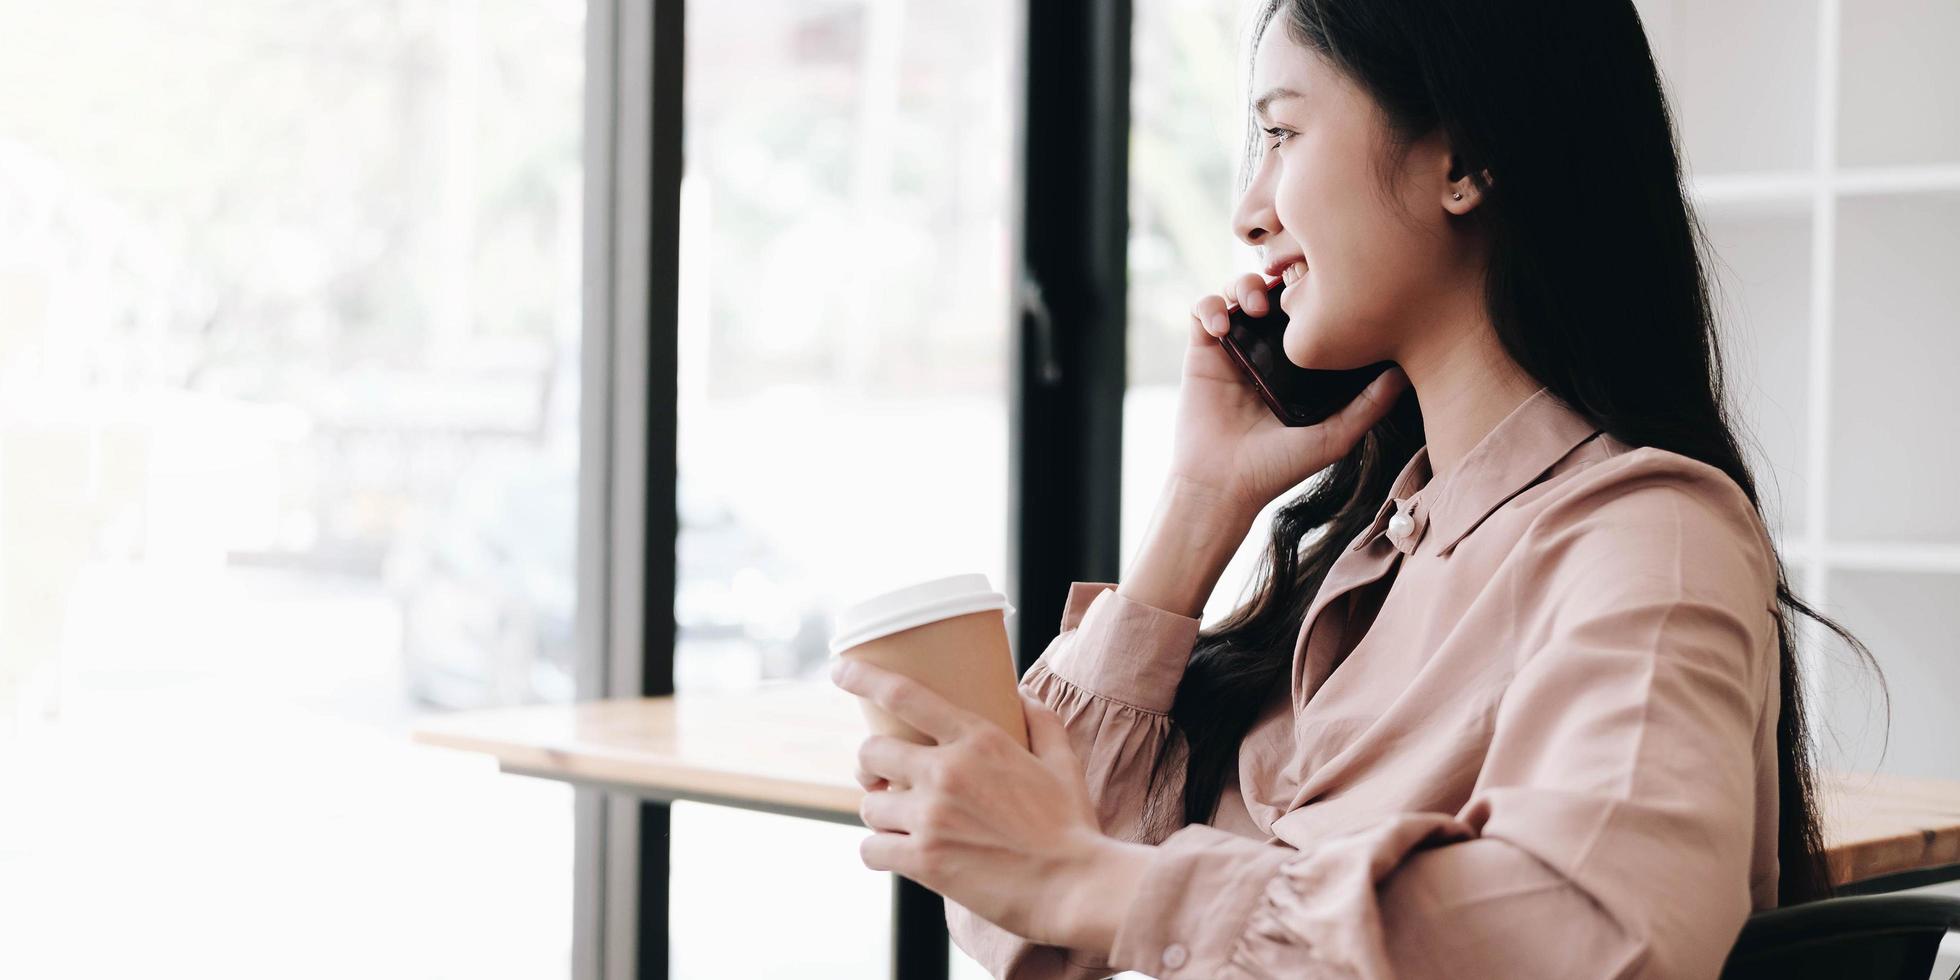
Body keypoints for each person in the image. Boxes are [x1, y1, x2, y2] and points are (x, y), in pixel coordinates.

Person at [827, 0, 1883, 976]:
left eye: (1281, 134)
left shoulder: (1643, 536)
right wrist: (1199, 506)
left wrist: (1082, 877)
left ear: (1461, 158)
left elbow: (1597, 932)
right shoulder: (1375, 559)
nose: (1250, 211)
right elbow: (1017, 929)